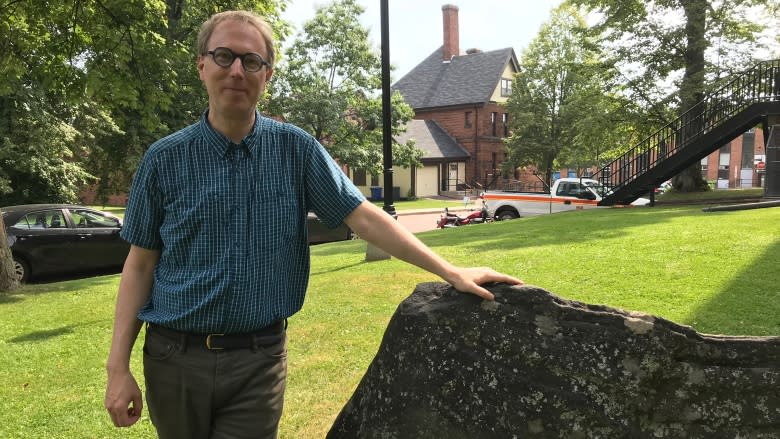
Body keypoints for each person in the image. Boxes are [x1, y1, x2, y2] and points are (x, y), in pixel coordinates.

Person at [104, 10, 522, 439]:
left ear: (267, 75)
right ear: (201, 65)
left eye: (251, 61)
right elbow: (139, 265)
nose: (236, 70)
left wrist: (450, 271)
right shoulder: (164, 159)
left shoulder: (295, 151)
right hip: (175, 359)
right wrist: (117, 369)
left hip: (257, 361)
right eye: (224, 56)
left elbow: (363, 216)